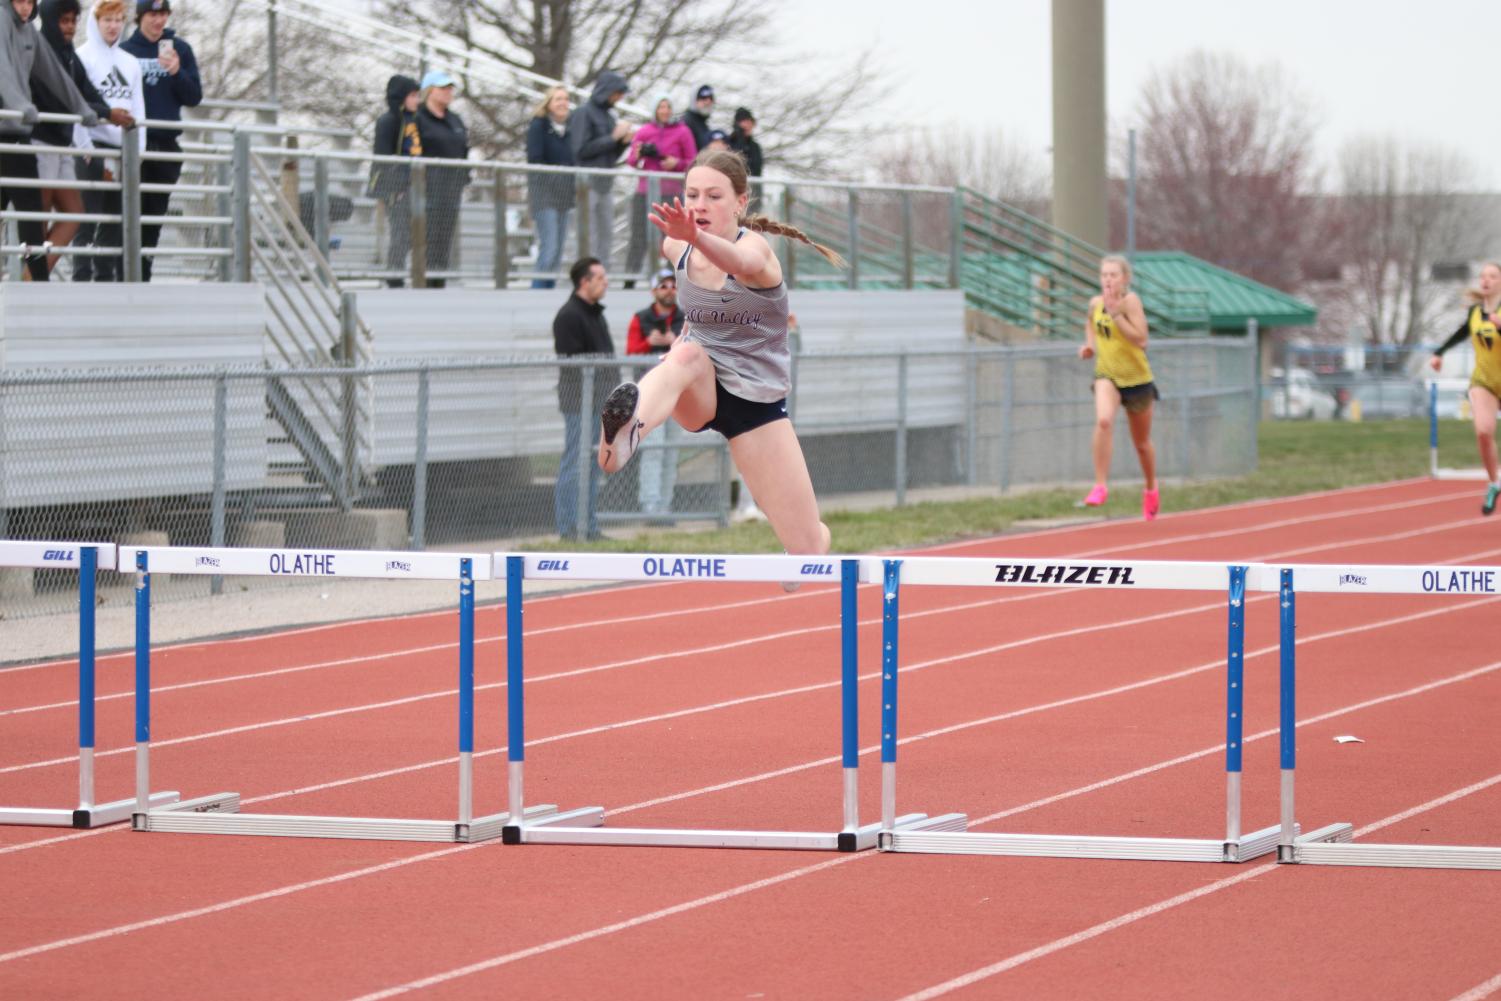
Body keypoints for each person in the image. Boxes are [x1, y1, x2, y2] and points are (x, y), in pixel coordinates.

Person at [596, 149, 842, 568]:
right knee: (685, 353)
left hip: (755, 407)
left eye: (713, 196)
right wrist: (691, 243)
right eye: (692, 195)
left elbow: (737, 261)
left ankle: (807, 542)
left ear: (741, 202)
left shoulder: (757, 252)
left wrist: (697, 238)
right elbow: (693, 286)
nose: (699, 206)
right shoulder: (676, 245)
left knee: (809, 552)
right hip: (702, 386)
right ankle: (624, 436)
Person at [1, 0, 98, 281]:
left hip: (18, 136)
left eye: (29, 2)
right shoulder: (1, 20)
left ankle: (36, 284)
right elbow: (2, 70)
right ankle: (37, 282)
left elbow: (54, 74)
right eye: (18, 1)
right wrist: (19, 103)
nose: (23, 8)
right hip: (5, 131)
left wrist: (81, 108)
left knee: (32, 217)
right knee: (30, 214)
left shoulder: (29, 31)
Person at [33, 0, 117, 277]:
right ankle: (30, 277)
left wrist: (111, 112)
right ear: (50, 20)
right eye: (64, 21)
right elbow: (63, 95)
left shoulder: (68, 52)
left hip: (62, 143)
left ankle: (33, 275)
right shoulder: (39, 48)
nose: (69, 27)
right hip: (40, 141)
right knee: (39, 214)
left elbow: (85, 91)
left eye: (73, 21)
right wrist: (106, 111)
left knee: (73, 211)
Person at [119, 0, 199, 282]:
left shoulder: (181, 49)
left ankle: (143, 279)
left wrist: (177, 72)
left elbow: (194, 97)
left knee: (152, 220)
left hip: (165, 146)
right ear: (141, 17)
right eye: (153, 14)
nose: (158, 20)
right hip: (131, 145)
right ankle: (122, 279)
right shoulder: (124, 51)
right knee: (126, 217)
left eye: (163, 14)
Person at [1078, 254, 1160, 520]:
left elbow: (1142, 339)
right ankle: (1100, 485)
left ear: (1124, 279)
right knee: (1103, 421)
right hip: (1108, 375)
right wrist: (1089, 345)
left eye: (1113, 275)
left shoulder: (1131, 302)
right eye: (1104, 275)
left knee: (1142, 444)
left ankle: (1151, 488)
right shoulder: (1095, 303)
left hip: (1137, 380)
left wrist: (1117, 315)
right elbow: (1090, 323)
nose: (1108, 280)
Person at [75, 0, 142, 282]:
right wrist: (84, 147)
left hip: (123, 148)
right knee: (87, 216)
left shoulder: (130, 62)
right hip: (92, 146)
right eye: (107, 20)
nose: (113, 26)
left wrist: (140, 151)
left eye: (118, 20)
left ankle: (105, 278)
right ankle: (81, 275)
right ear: (96, 21)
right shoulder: (82, 56)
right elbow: (76, 105)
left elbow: (138, 108)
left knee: (116, 219)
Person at [1429, 261, 1501, 514]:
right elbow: (1460, 334)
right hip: (1485, 381)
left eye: (1493, 276)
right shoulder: (1474, 313)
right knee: (1483, 432)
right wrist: (1439, 354)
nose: (1486, 280)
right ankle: (1494, 483)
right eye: (1483, 276)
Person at [555, 256, 617, 539]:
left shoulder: (596, 314)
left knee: (593, 464)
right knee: (575, 462)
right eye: (600, 278)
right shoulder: (569, 315)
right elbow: (574, 363)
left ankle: (589, 526)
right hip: (579, 404)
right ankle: (569, 527)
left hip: (599, 403)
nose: (605, 284)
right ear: (585, 282)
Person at [625, 267, 685, 518]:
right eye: (663, 286)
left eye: (672, 285)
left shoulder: (685, 317)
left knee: (671, 449)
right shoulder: (641, 318)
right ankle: (650, 505)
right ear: (654, 291)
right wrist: (649, 343)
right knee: (654, 448)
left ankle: (665, 504)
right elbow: (630, 351)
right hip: (650, 393)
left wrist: (674, 341)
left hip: (678, 394)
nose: (669, 290)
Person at [624, 93, 695, 284]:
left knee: (671, 238)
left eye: (668, 106)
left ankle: (670, 279)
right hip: (644, 192)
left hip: (670, 192)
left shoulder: (682, 132)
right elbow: (631, 160)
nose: (665, 111)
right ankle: (629, 278)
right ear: (655, 110)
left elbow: (692, 161)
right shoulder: (645, 131)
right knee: (638, 235)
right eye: (661, 107)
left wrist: (676, 163)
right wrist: (638, 154)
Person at [569, 70, 633, 268]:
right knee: (589, 233)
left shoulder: (609, 116)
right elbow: (580, 150)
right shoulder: (583, 112)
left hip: (605, 183)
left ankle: (601, 272)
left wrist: (623, 142)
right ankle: (585, 273)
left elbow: (610, 155)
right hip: (587, 183)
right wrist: (613, 138)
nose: (619, 98)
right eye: (617, 93)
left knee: (606, 232)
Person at [414, 69, 469, 288]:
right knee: (426, 239)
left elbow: (464, 150)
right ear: (430, 91)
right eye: (443, 88)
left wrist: (463, 178)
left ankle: (438, 283)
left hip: (450, 190)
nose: (448, 92)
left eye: (450, 88)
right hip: (426, 190)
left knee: (443, 241)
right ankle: (422, 283)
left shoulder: (455, 120)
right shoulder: (418, 118)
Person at [369, 74, 420, 287]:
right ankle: (394, 275)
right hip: (397, 188)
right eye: (413, 95)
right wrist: (394, 187)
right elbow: (383, 157)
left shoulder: (416, 120)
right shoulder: (388, 121)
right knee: (401, 233)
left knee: (415, 234)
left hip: (416, 184)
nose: (417, 100)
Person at [525, 84, 574, 289]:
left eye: (565, 99)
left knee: (558, 251)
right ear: (549, 103)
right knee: (549, 247)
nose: (563, 103)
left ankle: (549, 291)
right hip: (544, 196)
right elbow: (535, 159)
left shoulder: (571, 130)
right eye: (558, 99)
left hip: (565, 197)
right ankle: (537, 293)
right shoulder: (539, 126)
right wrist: (558, 176)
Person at [728, 106, 762, 211]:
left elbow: (756, 169)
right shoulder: (729, 143)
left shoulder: (755, 147)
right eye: (744, 122)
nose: (748, 125)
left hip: (752, 192)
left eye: (750, 122)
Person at [682, 84, 714, 152]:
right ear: (694, 100)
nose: (708, 102)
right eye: (703, 98)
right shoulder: (686, 123)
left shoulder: (703, 123)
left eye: (711, 98)